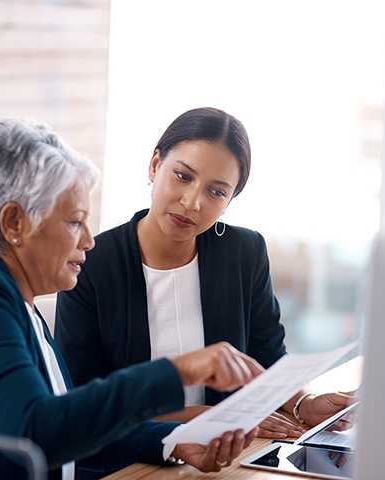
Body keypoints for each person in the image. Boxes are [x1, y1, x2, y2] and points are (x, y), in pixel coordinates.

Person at [0, 119, 264, 480]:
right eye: (74, 222)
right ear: (15, 223)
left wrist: (173, 440)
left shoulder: (13, 296)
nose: (88, 241)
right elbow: (36, 434)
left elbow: (69, 422)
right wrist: (177, 372)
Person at [55, 107, 354, 442]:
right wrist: (203, 419)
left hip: (228, 450)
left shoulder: (244, 252)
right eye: (183, 176)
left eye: (216, 191)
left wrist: (303, 404)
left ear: (229, 200)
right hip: (127, 458)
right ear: (155, 166)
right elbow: (82, 401)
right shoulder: (91, 263)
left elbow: (266, 359)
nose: (193, 202)